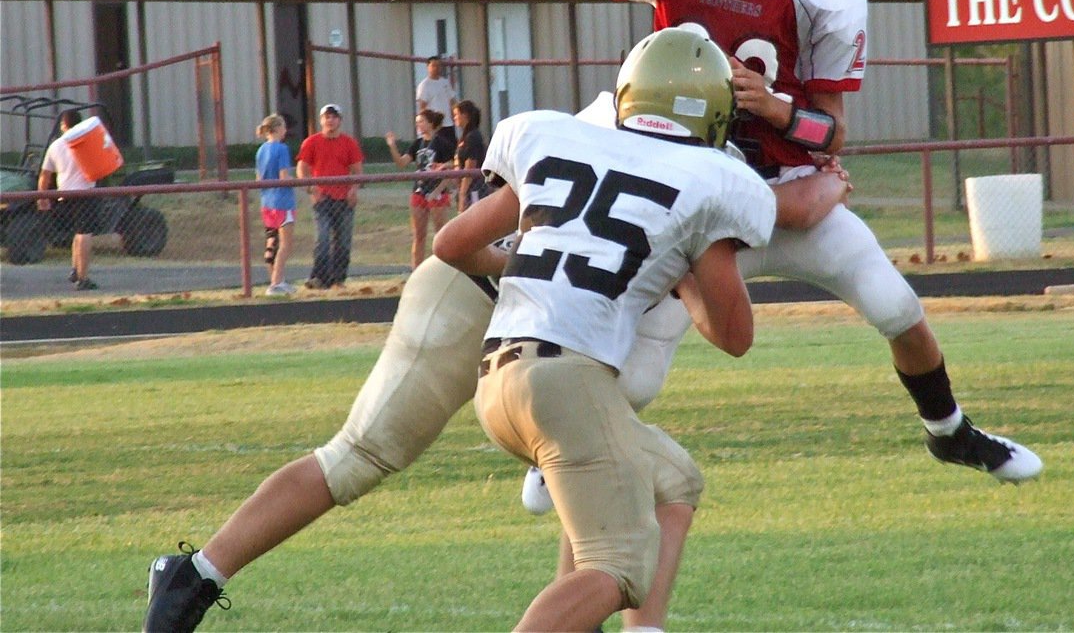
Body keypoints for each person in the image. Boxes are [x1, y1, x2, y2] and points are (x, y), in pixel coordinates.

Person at [143, 31, 832, 633]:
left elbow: (465, 233)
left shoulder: (590, 124)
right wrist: (529, 271)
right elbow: (778, 224)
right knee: (364, 454)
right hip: (490, 300)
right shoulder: (702, 173)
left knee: (663, 480)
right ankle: (196, 574)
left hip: (533, 324)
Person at [557, 0, 1042, 482]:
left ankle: (949, 431)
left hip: (790, 191)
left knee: (898, 309)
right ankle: (571, 447)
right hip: (698, 205)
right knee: (642, 367)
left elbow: (833, 132)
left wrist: (775, 106)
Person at [433, 27, 776, 630]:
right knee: (616, 567)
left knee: (675, 480)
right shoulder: (706, 181)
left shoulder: (561, 140)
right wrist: (680, 273)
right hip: (569, 379)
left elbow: (452, 243)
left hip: (498, 377)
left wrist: (532, 263)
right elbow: (736, 336)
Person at [296, 103, 363, 289]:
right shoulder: (311, 142)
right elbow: (302, 168)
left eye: (334, 117)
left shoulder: (349, 143)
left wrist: (353, 189)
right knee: (322, 239)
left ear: (340, 121)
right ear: (321, 120)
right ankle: (319, 277)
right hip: (323, 199)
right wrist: (310, 188)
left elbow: (357, 170)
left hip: (344, 199)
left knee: (343, 241)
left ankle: (338, 279)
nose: (330, 120)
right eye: (327, 117)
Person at [36, 109, 101, 291]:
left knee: (77, 233)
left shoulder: (55, 146)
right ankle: (83, 278)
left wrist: (42, 196)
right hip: (85, 193)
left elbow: (44, 174)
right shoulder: (87, 142)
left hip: (64, 195)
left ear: (63, 125)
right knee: (85, 234)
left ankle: (75, 270)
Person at [384, 109, 455, 269]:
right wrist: (392, 146)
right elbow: (402, 163)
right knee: (419, 235)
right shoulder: (417, 144)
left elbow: (453, 168)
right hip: (419, 191)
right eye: (417, 123)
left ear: (430, 123)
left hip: (438, 192)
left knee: (440, 234)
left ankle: (442, 268)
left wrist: (438, 190)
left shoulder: (442, 143)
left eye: (422, 121)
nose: (419, 125)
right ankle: (416, 270)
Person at [254, 114, 297, 296]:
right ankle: (276, 282)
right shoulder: (281, 149)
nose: (285, 130)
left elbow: (258, 178)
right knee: (285, 244)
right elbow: (283, 177)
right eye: (283, 126)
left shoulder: (261, 150)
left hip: (267, 201)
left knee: (272, 241)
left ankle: (275, 279)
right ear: (277, 128)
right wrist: (296, 181)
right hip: (282, 201)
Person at [451, 99, 489, 212]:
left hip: (474, 188)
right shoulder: (465, 136)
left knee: (476, 219)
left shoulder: (473, 136)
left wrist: (463, 193)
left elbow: (470, 166)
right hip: (466, 188)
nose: (455, 118)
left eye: (456, 114)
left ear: (465, 115)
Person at [415, 55, 457, 147]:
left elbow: (452, 101)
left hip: (448, 124)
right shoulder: (424, 85)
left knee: (451, 149)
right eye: (433, 66)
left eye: (438, 66)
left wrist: (454, 116)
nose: (436, 68)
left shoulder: (445, 82)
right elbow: (422, 107)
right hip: (435, 126)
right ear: (428, 67)